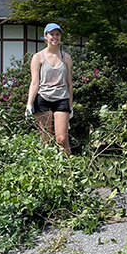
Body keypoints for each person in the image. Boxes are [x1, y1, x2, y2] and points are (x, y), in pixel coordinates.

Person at [25, 23, 74, 156]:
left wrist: (70, 106)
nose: (55, 37)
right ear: (45, 36)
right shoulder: (38, 57)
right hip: (43, 99)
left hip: (62, 98)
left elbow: (69, 84)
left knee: (62, 139)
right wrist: (29, 104)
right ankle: (46, 171)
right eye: (51, 34)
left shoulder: (66, 58)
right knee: (46, 138)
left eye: (57, 34)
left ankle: (68, 168)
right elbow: (35, 82)